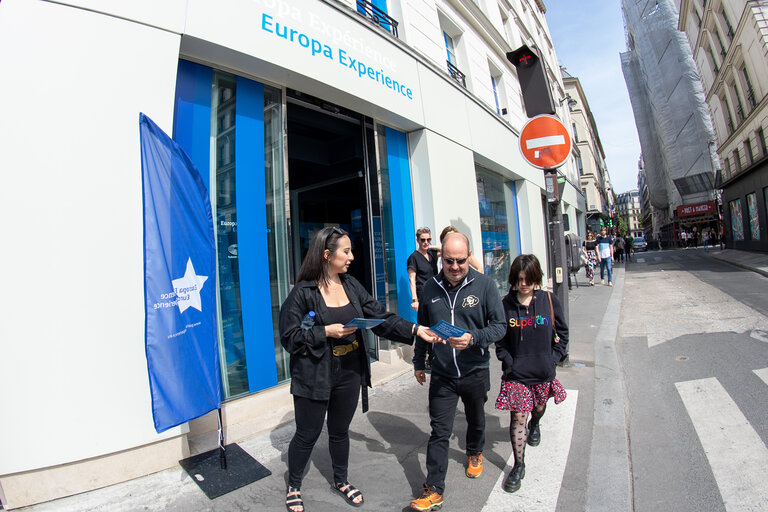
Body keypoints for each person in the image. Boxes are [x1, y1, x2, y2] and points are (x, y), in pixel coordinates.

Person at [279, 226, 439, 512]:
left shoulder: (351, 285)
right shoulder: (303, 293)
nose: (351, 256)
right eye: (346, 251)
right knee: (308, 433)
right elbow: (290, 337)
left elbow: (381, 317)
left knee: (339, 430)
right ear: (327, 255)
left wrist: (415, 329)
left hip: (350, 369)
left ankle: (341, 479)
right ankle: (294, 484)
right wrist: (325, 331)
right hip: (315, 373)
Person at [408, 232, 507, 511]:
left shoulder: (485, 285)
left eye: (460, 261)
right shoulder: (430, 288)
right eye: (449, 261)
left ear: (468, 257)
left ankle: (475, 451)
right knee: (439, 431)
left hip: (475, 370)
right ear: (442, 258)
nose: (454, 267)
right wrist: (418, 362)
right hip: (442, 374)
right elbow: (422, 328)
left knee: (476, 419)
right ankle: (434, 489)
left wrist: (473, 338)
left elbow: (500, 326)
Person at [494, 254, 568, 493]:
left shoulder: (549, 300)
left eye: (528, 279)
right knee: (517, 418)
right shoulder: (505, 305)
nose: (523, 284)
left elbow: (563, 333)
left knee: (537, 408)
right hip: (517, 375)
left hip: (543, 370)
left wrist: (554, 358)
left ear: (536, 278)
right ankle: (519, 465)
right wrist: (508, 363)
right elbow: (501, 341)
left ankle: (536, 424)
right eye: (519, 279)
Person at [408, 227, 439, 312]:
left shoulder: (432, 253)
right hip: (423, 294)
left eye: (428, 240)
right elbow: (411, 280)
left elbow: (445, 249)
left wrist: (430, 246)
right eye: (423, 240)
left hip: (436, 292)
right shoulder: (414, 257)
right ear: (417, 240)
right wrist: (415, 300)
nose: (426, 242)